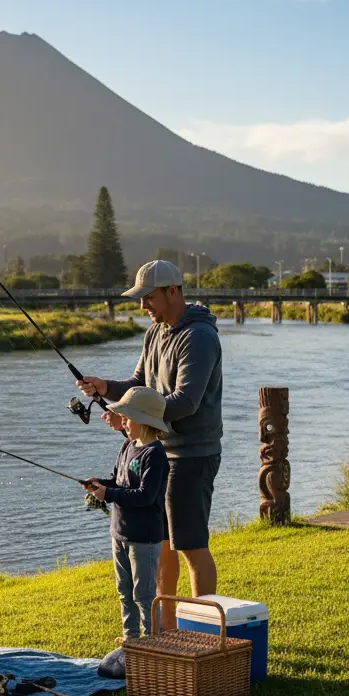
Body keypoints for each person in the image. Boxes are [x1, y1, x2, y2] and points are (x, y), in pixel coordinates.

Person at [78, 259, 222, 628]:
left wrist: (133, 418)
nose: (143, 306)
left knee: (189, 544)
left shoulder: (199, 337)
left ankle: (205, 630)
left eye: (149, 298)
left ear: (174, 291)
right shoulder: (155, 332)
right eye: (140, 299)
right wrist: (106, 389)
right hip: (158, 451)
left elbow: (185, 402)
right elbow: (139, 383)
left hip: (192, 453)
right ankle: (165, 628)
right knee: (161, 544)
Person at [84, 386, 169, 641]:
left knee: (143, 594)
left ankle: (152, 643)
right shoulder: (127, 446)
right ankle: (130, 640)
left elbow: (145, 496)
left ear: (144, 421)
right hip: (119, 533)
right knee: (124, 590)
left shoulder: (155, 455)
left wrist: (107, 495)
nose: (123, 421)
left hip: (143, 538)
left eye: (128, 418)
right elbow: (117, 481)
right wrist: (100, 483)